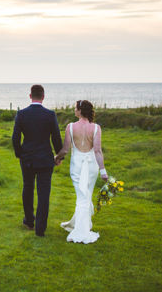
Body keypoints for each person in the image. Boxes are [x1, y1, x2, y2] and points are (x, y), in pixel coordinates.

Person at [12, 84, 63, 237]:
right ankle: (40, 229)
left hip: (27, 159)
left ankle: (29, 221)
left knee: (27, 188)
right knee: (44, 193)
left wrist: (19, 154)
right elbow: (56, 137)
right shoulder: (50, 115)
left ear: (30, 96)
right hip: (45, 160)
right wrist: (59, 156)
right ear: (43, 96)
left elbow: (15, 138)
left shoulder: (21, 114)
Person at [54, 99, 107, 244]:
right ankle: (83, 225)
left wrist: (56, 157)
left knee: (82, 196)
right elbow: (97, 151)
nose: (74, 110)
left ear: (80, 110)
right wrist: (103, 171)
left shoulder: (70, 127)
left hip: (77, 166)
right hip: (91, 167)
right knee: (86, 195)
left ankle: (81, 230)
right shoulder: (96, 128)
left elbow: (65, 149)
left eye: (75, 108)